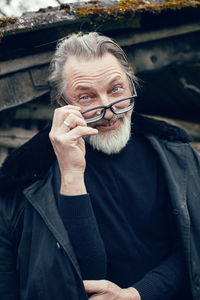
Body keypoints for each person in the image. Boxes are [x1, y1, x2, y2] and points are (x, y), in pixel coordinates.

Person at [0, 32, 199, 300]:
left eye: (115, 89)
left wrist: (138, 294)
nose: (107, 109)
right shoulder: (19, 183)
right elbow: (80, 278)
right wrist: (71, 175)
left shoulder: (177, 154)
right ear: (62, 104)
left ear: (131, 84)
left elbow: (192, 245)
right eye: (86, 97)